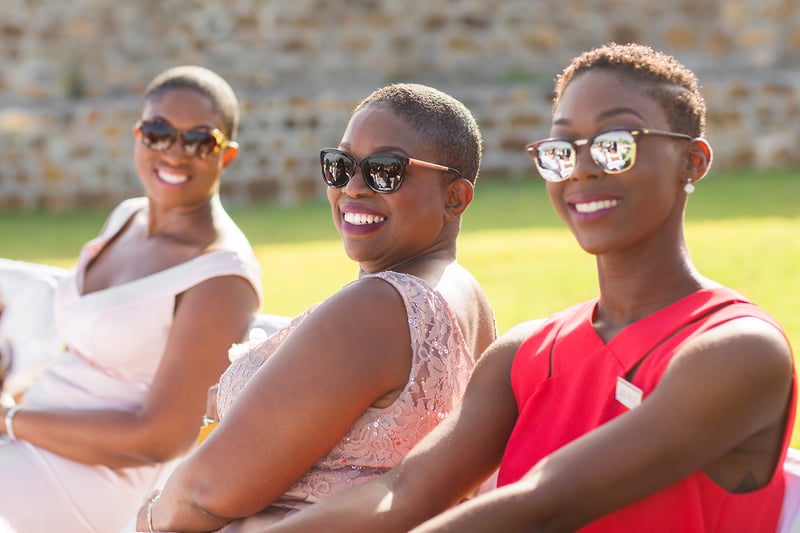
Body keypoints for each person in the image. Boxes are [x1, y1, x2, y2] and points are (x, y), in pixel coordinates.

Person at [255, 43, 797, 533]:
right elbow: (400, 493)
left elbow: (544, 504)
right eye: (563, 149)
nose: (581, 170)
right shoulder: (524, 353)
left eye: (615, 145)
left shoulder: (738, 350)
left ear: (693, 161)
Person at [135, 82, 497, 532]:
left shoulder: (377, 309)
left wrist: (147, 517)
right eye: (340, 166)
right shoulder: (469, 298)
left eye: (386, 170)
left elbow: (205, 493)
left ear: (455, 198)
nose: (354, 188)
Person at [0, 65, 263, 532]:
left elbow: (161, 437)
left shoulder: (222, 277)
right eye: (158, 132)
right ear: (138, 136)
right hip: (33, 432)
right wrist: (13, 397)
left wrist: (12, 420)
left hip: (89, 480)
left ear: (226, 155)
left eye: (199, 140)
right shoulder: (127, 217)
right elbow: (83, 354)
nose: (175, 153)